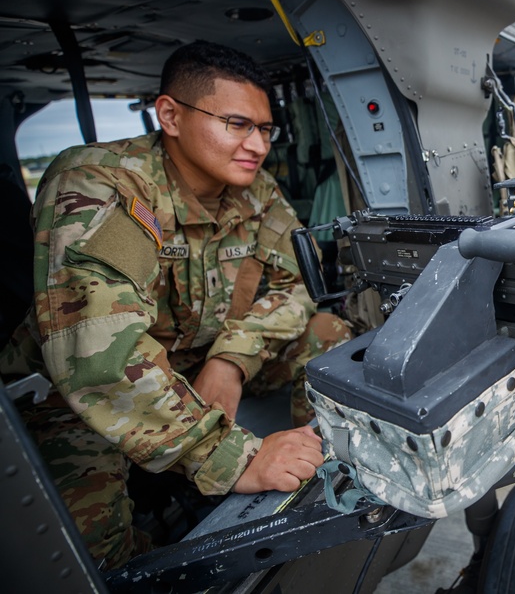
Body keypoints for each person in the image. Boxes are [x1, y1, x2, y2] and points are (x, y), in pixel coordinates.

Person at [0, 41, 352, 569]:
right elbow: (99, 355)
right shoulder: (102, 182)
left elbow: (300, 285)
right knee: (82, 538)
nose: (256, 144)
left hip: (192, 361)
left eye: (264, 129)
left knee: (327, 333)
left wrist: (231, 359)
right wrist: (234, 458)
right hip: (68, 391)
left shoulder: (257, 193)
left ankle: (328, 481)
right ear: (170, 115)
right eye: (237, 123)